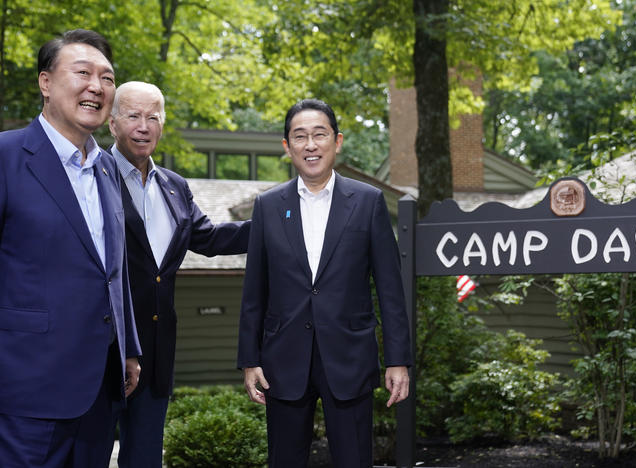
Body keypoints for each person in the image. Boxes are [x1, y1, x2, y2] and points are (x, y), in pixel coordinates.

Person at [237, 98, 412, 467]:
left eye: (320, 134)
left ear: (337, 141)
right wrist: (249, 359)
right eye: (300, 137)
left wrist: (398, 360)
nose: (310, 145)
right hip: (282, 363)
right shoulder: (268, 206)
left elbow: (391, 290)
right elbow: (255, 290)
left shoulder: (368, 202)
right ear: (287, 147)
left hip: (349, 358)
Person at [0, 29, 141, 467]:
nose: (97, 87)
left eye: (107, 78)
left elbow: (112, 270)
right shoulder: (6, 158)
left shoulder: (107, 171)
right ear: (46, 82)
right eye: (83, 73)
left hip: (100, 389)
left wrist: (128, 346)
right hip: (26, 393)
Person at [107, 81, 251, 468]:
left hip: (157, 352)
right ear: (112, 122)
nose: (143, 125)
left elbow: (209, 238)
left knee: (145, 459)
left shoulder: (175, 186)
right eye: (133, 115)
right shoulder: (92, 176)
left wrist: (274, 223)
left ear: (162, 124)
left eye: (152, 117)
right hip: (104, 348)